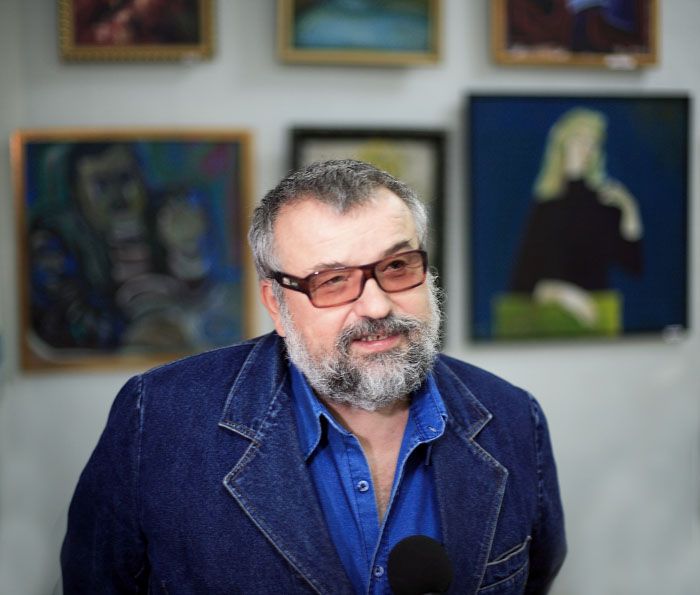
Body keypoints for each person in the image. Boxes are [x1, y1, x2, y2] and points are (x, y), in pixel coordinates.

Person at [61, 160, 566, 593]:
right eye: (333, 281)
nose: (376, 306)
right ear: (276, 305)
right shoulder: (158, 420)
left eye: (397, 266)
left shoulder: (514, 419)